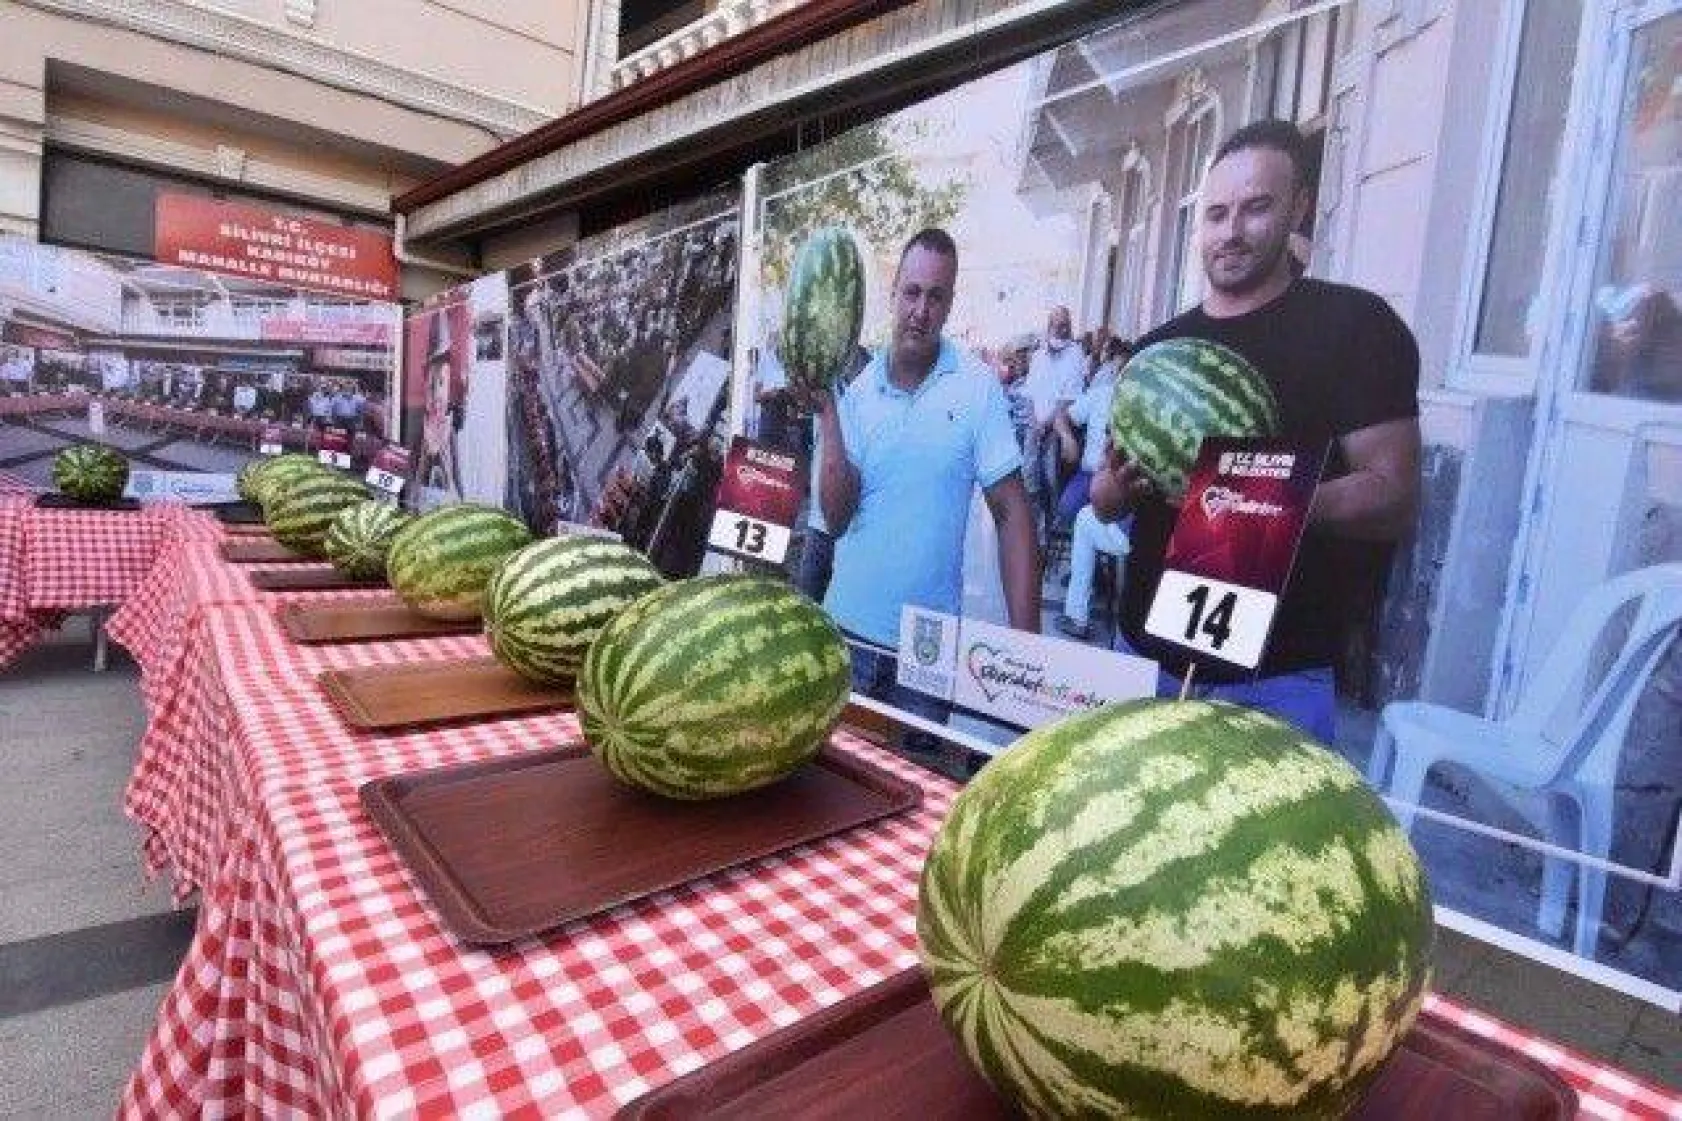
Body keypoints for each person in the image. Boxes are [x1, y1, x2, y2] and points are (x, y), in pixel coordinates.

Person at [1090, 119, 1421, 742]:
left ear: (1299, 207)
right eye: (1216, 214)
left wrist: (1251, 500)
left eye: (1256, 208)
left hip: (1276, 685)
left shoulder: (1354, 328)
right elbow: (1106, 503)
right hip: (1149, 664)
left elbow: (1395, 497)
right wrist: (1118, 486)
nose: (1232, 231)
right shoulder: (1160, 349)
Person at [811, 228, 1040, 771]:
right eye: (912, 293)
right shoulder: (856, 394)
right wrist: (828, 417)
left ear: (950, 303)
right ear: (893, 294)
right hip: (848, 636)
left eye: (936, 296)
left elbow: (1011, 513)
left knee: (917, 794)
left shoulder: (977, 386)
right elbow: (836, 520)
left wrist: (1031, 652)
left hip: (928, 651)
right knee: (839, 792)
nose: (921, 310)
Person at [1021, 306, 1086, 542]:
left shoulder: (1075, 354)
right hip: (1034, 428)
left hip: (1057, 430)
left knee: (1052, 483)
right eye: (1058, 324)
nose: (1062, 328)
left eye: (1066, 324)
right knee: (1030, 481)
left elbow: (1070, 398)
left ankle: (1050, 535)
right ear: (1049, 326)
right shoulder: (1038, 355)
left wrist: (1046, 424)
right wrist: (1033, 423)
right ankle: (1035, 533)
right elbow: (1029, 394)